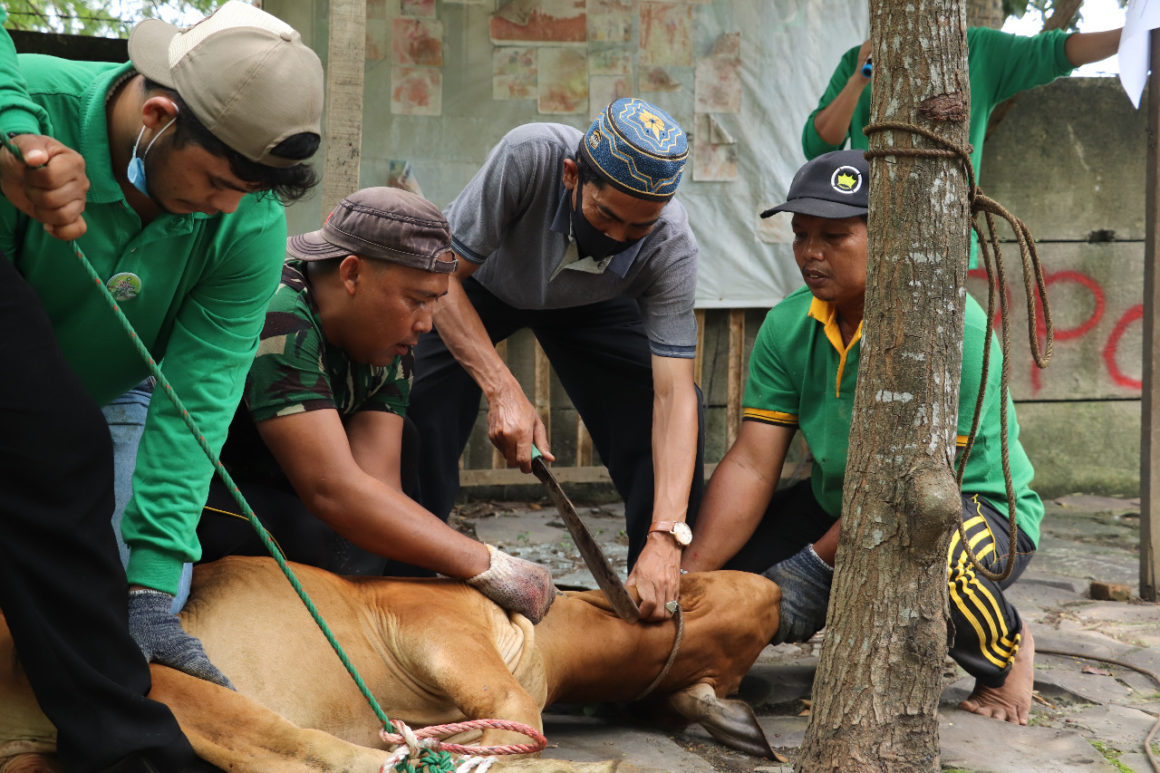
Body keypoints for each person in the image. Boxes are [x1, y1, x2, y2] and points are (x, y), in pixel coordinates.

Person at [0, 0, 324, 734]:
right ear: (157, 116)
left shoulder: (248, 222)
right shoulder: (32, 110)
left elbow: (197, 399)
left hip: (112, 402)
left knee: (111, 599)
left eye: (247, 193)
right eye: (215, 182)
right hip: (22, 400)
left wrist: (149, 585)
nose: (223, 208)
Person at [682, 150, 1044, 725]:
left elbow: (910, 492)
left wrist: (811, 570)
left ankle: (1006, 650)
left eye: (834, 235)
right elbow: (753, 464)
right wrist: (691, 575)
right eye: (801, 235)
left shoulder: (953, 330)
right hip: (838, 503)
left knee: (923, 550)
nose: (810, 252)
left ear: (893, 235)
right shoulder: (787, 323)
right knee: (729, 579)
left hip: (968, 507)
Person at [197, 186, 555, 623]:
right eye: (416, 300)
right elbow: (334, 491)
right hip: (201, 481)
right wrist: (489, 564)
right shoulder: (279, 310)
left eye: (435, 302)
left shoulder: (392, 339)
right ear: (351, 274)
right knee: (325, 539)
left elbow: (379, 486)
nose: (426, 324)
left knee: (406, 455)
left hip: (291, 472)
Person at [409, 98, 705, 621]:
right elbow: (445, 275)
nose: (615, 238)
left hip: (593, 306)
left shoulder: (672, 242)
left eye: (637, 229)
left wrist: (668, 533)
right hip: (477, 284)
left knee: (657, 407)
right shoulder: (531, 155)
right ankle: (402, 579)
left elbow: (673, 392)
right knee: (419, 407)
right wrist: (503, 390)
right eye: (606, 216)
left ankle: (655, 588)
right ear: (572, 176)